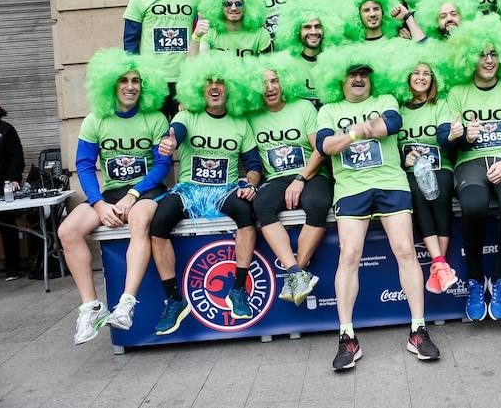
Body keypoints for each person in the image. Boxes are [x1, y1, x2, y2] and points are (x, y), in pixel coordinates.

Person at [313, 43, 440, 369]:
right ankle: (346, 336)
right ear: (340, 80)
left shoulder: (384, 101)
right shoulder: (328, 110)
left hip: (389, 183)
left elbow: (390, 124)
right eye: (352, 74)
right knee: (350, 255)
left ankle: (418, 329)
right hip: (351, 189)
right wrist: (360, 131)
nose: (358, 79)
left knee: (405, 251)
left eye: (363, 74)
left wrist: (352, 134)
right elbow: (325, 146)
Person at [58, 49, 170, 343]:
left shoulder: (156, 117)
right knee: (67, 230)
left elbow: (162, 165)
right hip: (109, 192)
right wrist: (98, 203)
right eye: (123, 80)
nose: (130, 86)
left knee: (138, 221)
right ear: (111, 85)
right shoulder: (95, 120)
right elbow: (83, 164)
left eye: (136, 80)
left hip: (146, 190)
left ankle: (126, 304)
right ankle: (91, 306)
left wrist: (133, 194)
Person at [148, 52, 261, 335]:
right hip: (189, 190)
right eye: (208, 82)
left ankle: (237, 289)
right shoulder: (187, 115)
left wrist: (250, 183)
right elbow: (175, 133)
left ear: (230, 88)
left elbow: (254, 165)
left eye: (221, 82)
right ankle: (174, 299)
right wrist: (169, 141)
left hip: (225, 189)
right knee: (159, 223)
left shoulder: (240, 122)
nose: (214, 87)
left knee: (246, 214)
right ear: (199, 88)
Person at [445, 15, 501, 321]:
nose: (489, 60)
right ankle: (473, 280)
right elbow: (449, 140)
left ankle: (500, 279)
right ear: (470, 58)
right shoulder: (457, 92)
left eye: (494, 53)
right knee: (473, 205)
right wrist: (460, 138)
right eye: (482, 54)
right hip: (470, 164)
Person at [247, 52, 333, 306]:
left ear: (284, 82)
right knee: (261, 205)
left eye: (275, 81)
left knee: (318, 203)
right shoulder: (251, 115)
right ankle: (295, 272)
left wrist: (300, 178)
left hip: (310, 173)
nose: (271, 87)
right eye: (264, 83)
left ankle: (297, 272)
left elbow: (320, 149)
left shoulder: (303, 107)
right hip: (275, 178)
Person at [392, 44, 462, 293]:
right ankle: (441, 265)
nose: (421, 78)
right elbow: (389, 148)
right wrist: (404, 158)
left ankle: (438, 266)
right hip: (410, 172)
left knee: (438, 192)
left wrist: (453, 135)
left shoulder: (439, 105)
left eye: (426, 73)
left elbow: (444, 138)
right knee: (417, 195)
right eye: (415, 73)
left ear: (433, 79)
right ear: (407, 78)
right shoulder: (397, 109)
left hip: (440, 166)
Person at [123, 0, 203, 119]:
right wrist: (134, 75)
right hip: (152, 79)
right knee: (154, 132)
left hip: (184, 77)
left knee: (185, 132)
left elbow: (203, 35)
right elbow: (130, 40)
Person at [275, 0, 345, 108]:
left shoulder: (335, 62)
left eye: (317, 27)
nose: (313, 32)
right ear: (297, 31)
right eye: (307, 27)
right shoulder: (285, 63)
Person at [194, 0, 272, 57]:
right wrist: (196, 36)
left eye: (239, 4)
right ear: (219, 7)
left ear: (247, 7)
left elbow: (267, 67)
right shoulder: (210, 32)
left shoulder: (260, 34)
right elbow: (196, 61)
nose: (233, 8)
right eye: (228, 4)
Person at [343, 0, 426, 43]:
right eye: (366, 10)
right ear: (358, 15)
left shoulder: (397, 42)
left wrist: (407, 16)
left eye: (376, 9)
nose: (372, 14)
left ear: (383, 12)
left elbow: (424, 51)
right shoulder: (354, 48)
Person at [0, 106, 25, 280]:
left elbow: (17, 156)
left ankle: (13, 267)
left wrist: (14, 178)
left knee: (7, 226)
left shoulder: (5, 129)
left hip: (3, 186)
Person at [414, 0, 478, 40]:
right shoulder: (432, 50)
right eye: (443, 16)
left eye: (454, 14)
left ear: (462, 17)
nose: (449, 19)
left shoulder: (478, 43)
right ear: (435, 22)